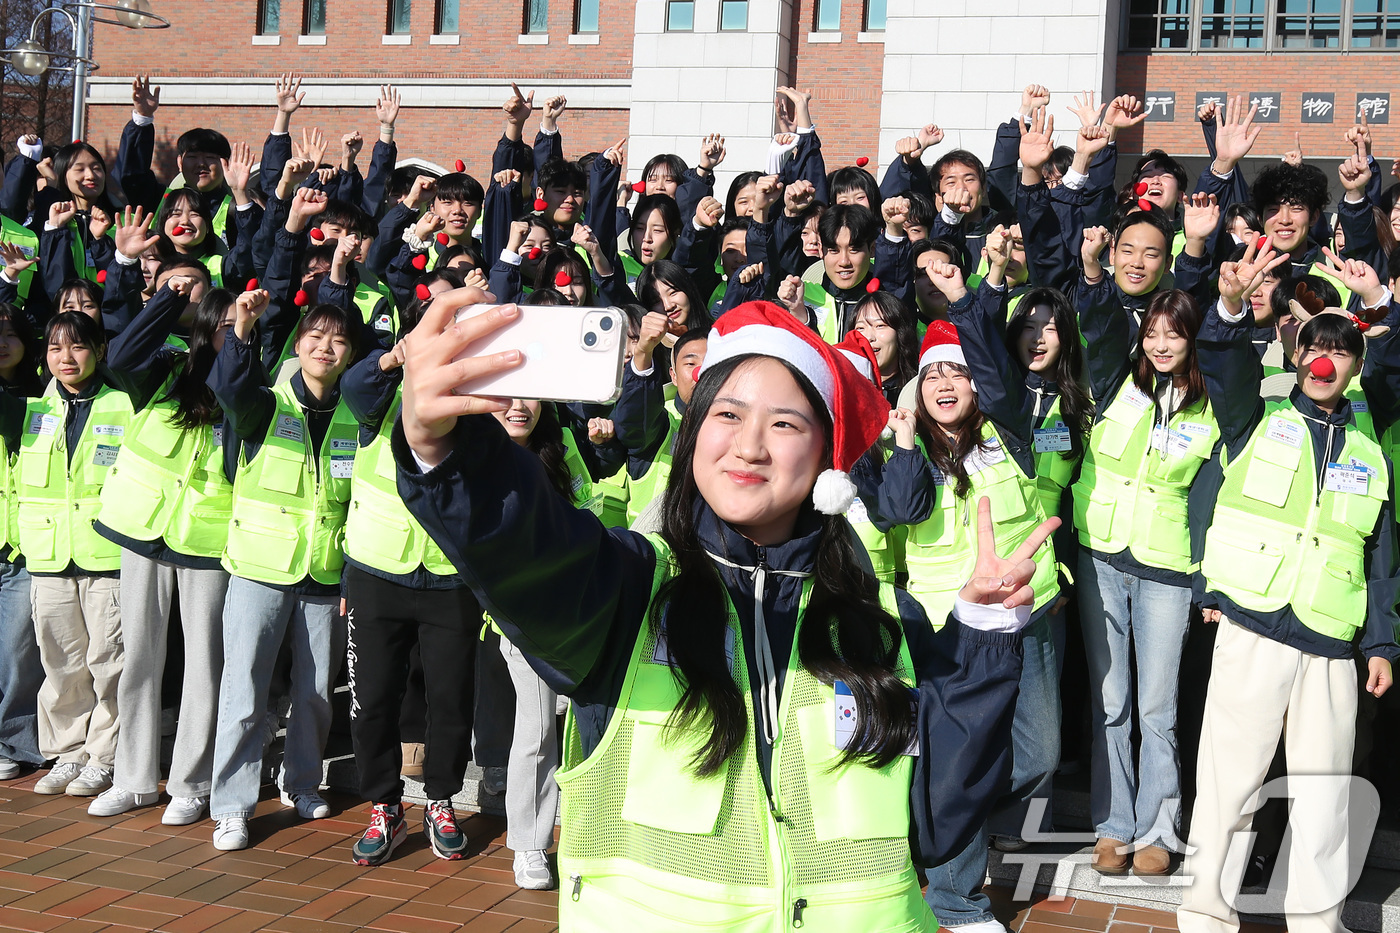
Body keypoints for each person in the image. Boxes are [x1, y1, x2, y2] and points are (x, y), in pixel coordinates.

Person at [393, 291, 1056, 931]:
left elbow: (936, 822)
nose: (750, 445)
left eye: (786, 422)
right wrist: (443, 445)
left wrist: (985, 635)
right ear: (695, 431)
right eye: (728, 415)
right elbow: (525, 545)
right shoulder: (629, 592)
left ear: (826, 455)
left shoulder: (887, 621)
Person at [1183, 245, 1398, 933]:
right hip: (1253, 629)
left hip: (1331, 643)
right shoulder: (1257, 416)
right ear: (1297, 354)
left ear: (1356, 365)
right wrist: (1231, 305)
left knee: (1327, 796)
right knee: (1229, 785)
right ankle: (1206, 916)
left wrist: (1382, 642)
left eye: (1342, 349)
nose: (1326, 359)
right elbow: (1220, 359)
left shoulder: (1369, 451)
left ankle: (1316, 920)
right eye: (1315, 346)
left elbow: (1380, 559)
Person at [1070, 272, 1227, 874]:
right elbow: (1103, 327)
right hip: (1101, 556)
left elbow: (1210, 498)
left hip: (1166, 567)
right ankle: (1113, 827)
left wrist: (1205, 579)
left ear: (1193, 341)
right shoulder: (1115, 384)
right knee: (1110, 701)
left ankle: (1159, 830)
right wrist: (1091, 272)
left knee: (1157, 706)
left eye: (1175, 335)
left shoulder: (1211, 406)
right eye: (1154, 333)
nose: (1161, 345)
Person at [206, 294, 361, 851]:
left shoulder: (354, 417)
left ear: (349, 355)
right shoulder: (265, 406)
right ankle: (231, 806)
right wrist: (243, 334)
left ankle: (301, 782)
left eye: (338, 340)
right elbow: (229, 388)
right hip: (259, 569)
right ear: (298, 345)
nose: (325, 347)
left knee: (317, 692)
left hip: (323, 574)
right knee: (244, 694)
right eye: (315, 336)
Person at [84, 279, 237, 827]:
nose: (229, 335)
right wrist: (168, 300)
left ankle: (191, 783)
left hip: (208, 543)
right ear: (201, 330)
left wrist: (240, 350)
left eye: (237, 328)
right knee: (139, 659)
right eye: (221, 326)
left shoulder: (250, 385)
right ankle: (133, 779)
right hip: (144, 532)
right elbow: (121, 354)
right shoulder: (166, 374)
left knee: (203, 665)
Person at [18, 312, 134, 796]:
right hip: (48, 556)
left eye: (78, 347)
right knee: (61, 663)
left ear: (100, 351)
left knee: (109, 662)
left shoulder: (125, 404)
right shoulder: (27, 408)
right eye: (55, 349)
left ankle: (104, 757)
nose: (66, 358)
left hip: (106, 554)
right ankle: (67, 751)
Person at [0, 304, 44, 781]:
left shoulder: (46, 397)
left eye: (11, 333)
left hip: (25, 546)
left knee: (17, 654)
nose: (3, 341)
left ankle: (12, 742)